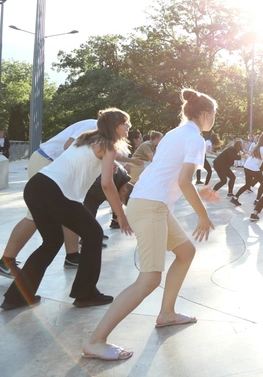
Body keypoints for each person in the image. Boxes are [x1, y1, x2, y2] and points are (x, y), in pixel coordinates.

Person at [82, 88, 217, 361]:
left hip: (150, 202)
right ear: (205, 114)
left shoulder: (175, 133)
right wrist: (202, 215)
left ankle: (167, 314)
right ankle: (96, 341)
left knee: (185, 252)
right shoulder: (195, 139)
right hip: (151, 206)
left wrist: (199, 193)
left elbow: (167, 173)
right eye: (214, 114)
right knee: (149, 278)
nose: (214, 118)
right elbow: (183, 180)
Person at [1, 109, 133, 311]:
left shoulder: (86, 138)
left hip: (37, 186)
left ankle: (17, 297)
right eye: (125, 123)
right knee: (94, 234)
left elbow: (84, 159)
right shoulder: (107, 146)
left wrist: (109, 164)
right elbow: (107, 185)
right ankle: (85, 293)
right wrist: (121, 215)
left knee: (52, 240)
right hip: (55, 191)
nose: (128, 127)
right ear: (114, 126)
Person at [230, 133, 263, 207]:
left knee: (247, 185)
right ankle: (257, 200)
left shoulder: (257, 146)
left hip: (247, 166)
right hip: (253, 168)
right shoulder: (262, 148)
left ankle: (235, 198)